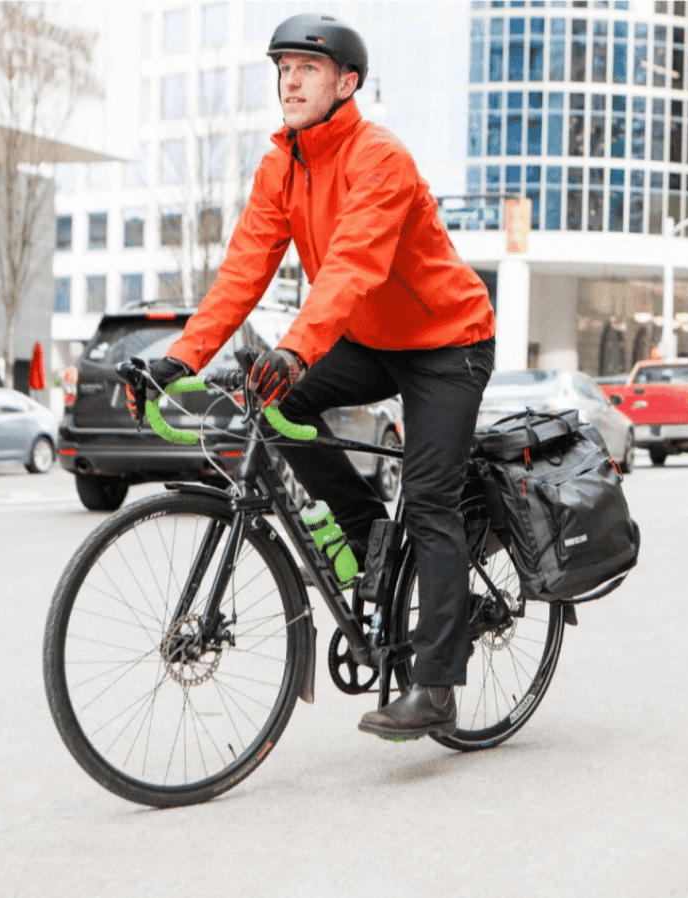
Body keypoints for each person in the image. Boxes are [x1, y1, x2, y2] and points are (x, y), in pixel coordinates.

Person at [129, 13, 495, 741]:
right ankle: (366, 534)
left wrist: (296, 347)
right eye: (283, 69)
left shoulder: (378, 156)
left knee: (430, 501)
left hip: (446, 343)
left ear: (346, 83)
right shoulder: (282, 165)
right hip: (369, 338)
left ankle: (436, 686)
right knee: (275, 400)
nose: (290, 81)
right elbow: (242, 272)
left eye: (307, 69)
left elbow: (355, 263)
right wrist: (181, 357)